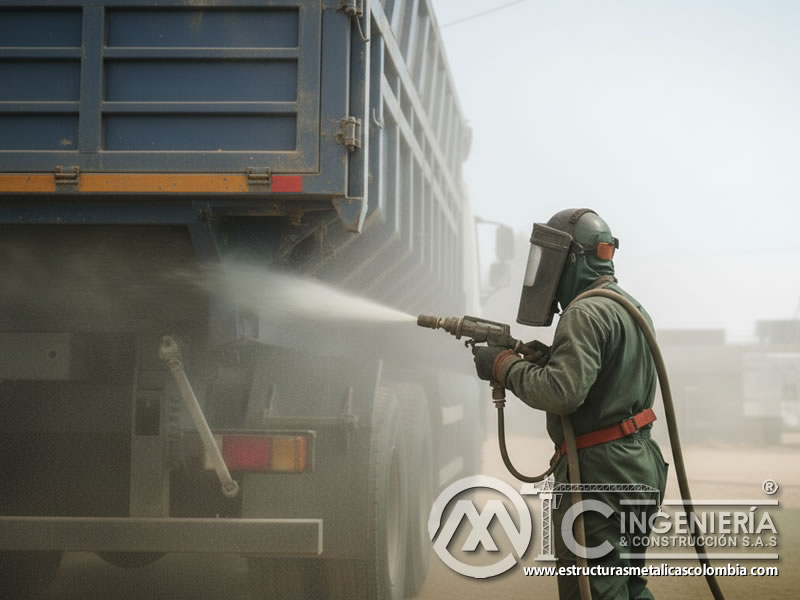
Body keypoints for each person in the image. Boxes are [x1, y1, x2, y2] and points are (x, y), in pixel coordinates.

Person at [472, 208, 669, 600]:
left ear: (573, 259)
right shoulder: (627, 307)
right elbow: (604, 381)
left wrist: (503, 366)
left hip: (600, 474)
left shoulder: (583, 312)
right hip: (638, 467)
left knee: (595, 591)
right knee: (629, 586)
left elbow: (562, 393)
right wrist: (545, 358)